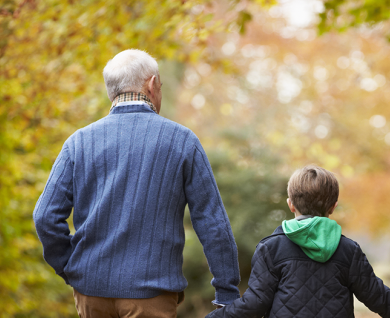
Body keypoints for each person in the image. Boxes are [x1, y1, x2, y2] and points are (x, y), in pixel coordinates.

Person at [33, 49, 240, 317]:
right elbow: (213, 223)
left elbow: (44, 216)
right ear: (152, 84)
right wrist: (227, 293)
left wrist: (71, 266)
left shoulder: (78, 143)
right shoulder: (182, 141)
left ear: (112, 92)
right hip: (152, 294)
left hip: (90, 291)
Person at [206, 165, 390, 318]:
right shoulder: (348, 251)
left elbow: (254, 305)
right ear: (333, 207)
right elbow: (378, 298)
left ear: (291, 204)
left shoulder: (270, 248)